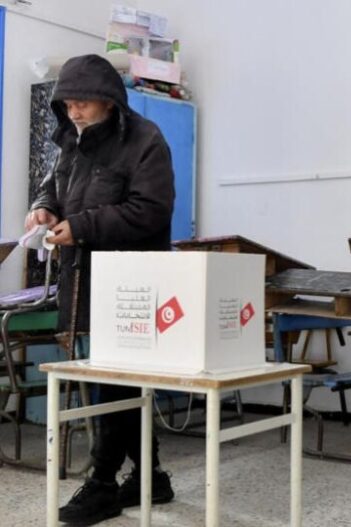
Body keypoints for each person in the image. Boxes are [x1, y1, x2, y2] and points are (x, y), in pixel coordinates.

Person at [25, 54, 176, 525]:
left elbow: (151, 210)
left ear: (110, 102)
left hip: (132, 282)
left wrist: (82, 225)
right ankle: (152, 477)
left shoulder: (146, 141)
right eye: (68, 104)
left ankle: (103, 482)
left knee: (115, 382)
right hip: (83, 279)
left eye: (83, 102)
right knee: (108, 380)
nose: (74, 112)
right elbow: (54, 188)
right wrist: (45, 209)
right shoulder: (71, 142)